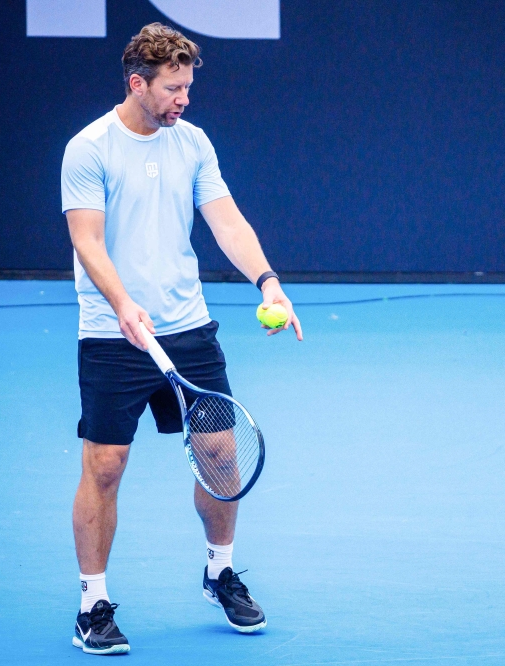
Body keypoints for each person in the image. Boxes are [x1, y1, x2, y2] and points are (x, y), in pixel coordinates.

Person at [61, 23, 303, 654]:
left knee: (220, 454)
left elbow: (226, 221)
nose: (184, 99)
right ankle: (92, 604)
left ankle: (220, 571)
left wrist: (269, 282)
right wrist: (123, 305)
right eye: (173, 88)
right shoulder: (88, 148)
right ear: (137, 84)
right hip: (113, 336)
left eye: (188, 86)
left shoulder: (192, 142)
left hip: (188, 327)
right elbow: (87, 240)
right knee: (105, 466)